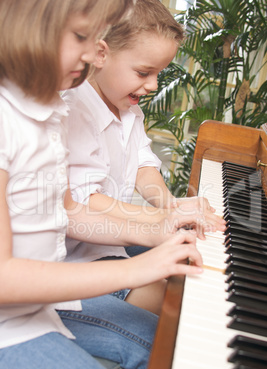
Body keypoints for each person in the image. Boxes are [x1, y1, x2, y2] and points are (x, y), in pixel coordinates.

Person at [0, 0, 204, 369]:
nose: (97, 53)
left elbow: (68, 211)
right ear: (25, 26)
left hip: (39, 307)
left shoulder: (48, 108)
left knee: (177, 343)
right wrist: (141, 267)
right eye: (82, 36)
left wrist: (158, 227)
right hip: (10, 328)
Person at [63, 0, 226, 314]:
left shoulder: (129, 110)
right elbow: (85, 199)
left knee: (189, 265)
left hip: (109, 243)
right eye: (143, 72)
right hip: (74, 259)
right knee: (170, 305)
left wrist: (170, 205)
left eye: (158, 73)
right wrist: (159, 220)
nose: (152, 85)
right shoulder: (76, 107)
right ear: (101, 53)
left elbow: (143, 165)